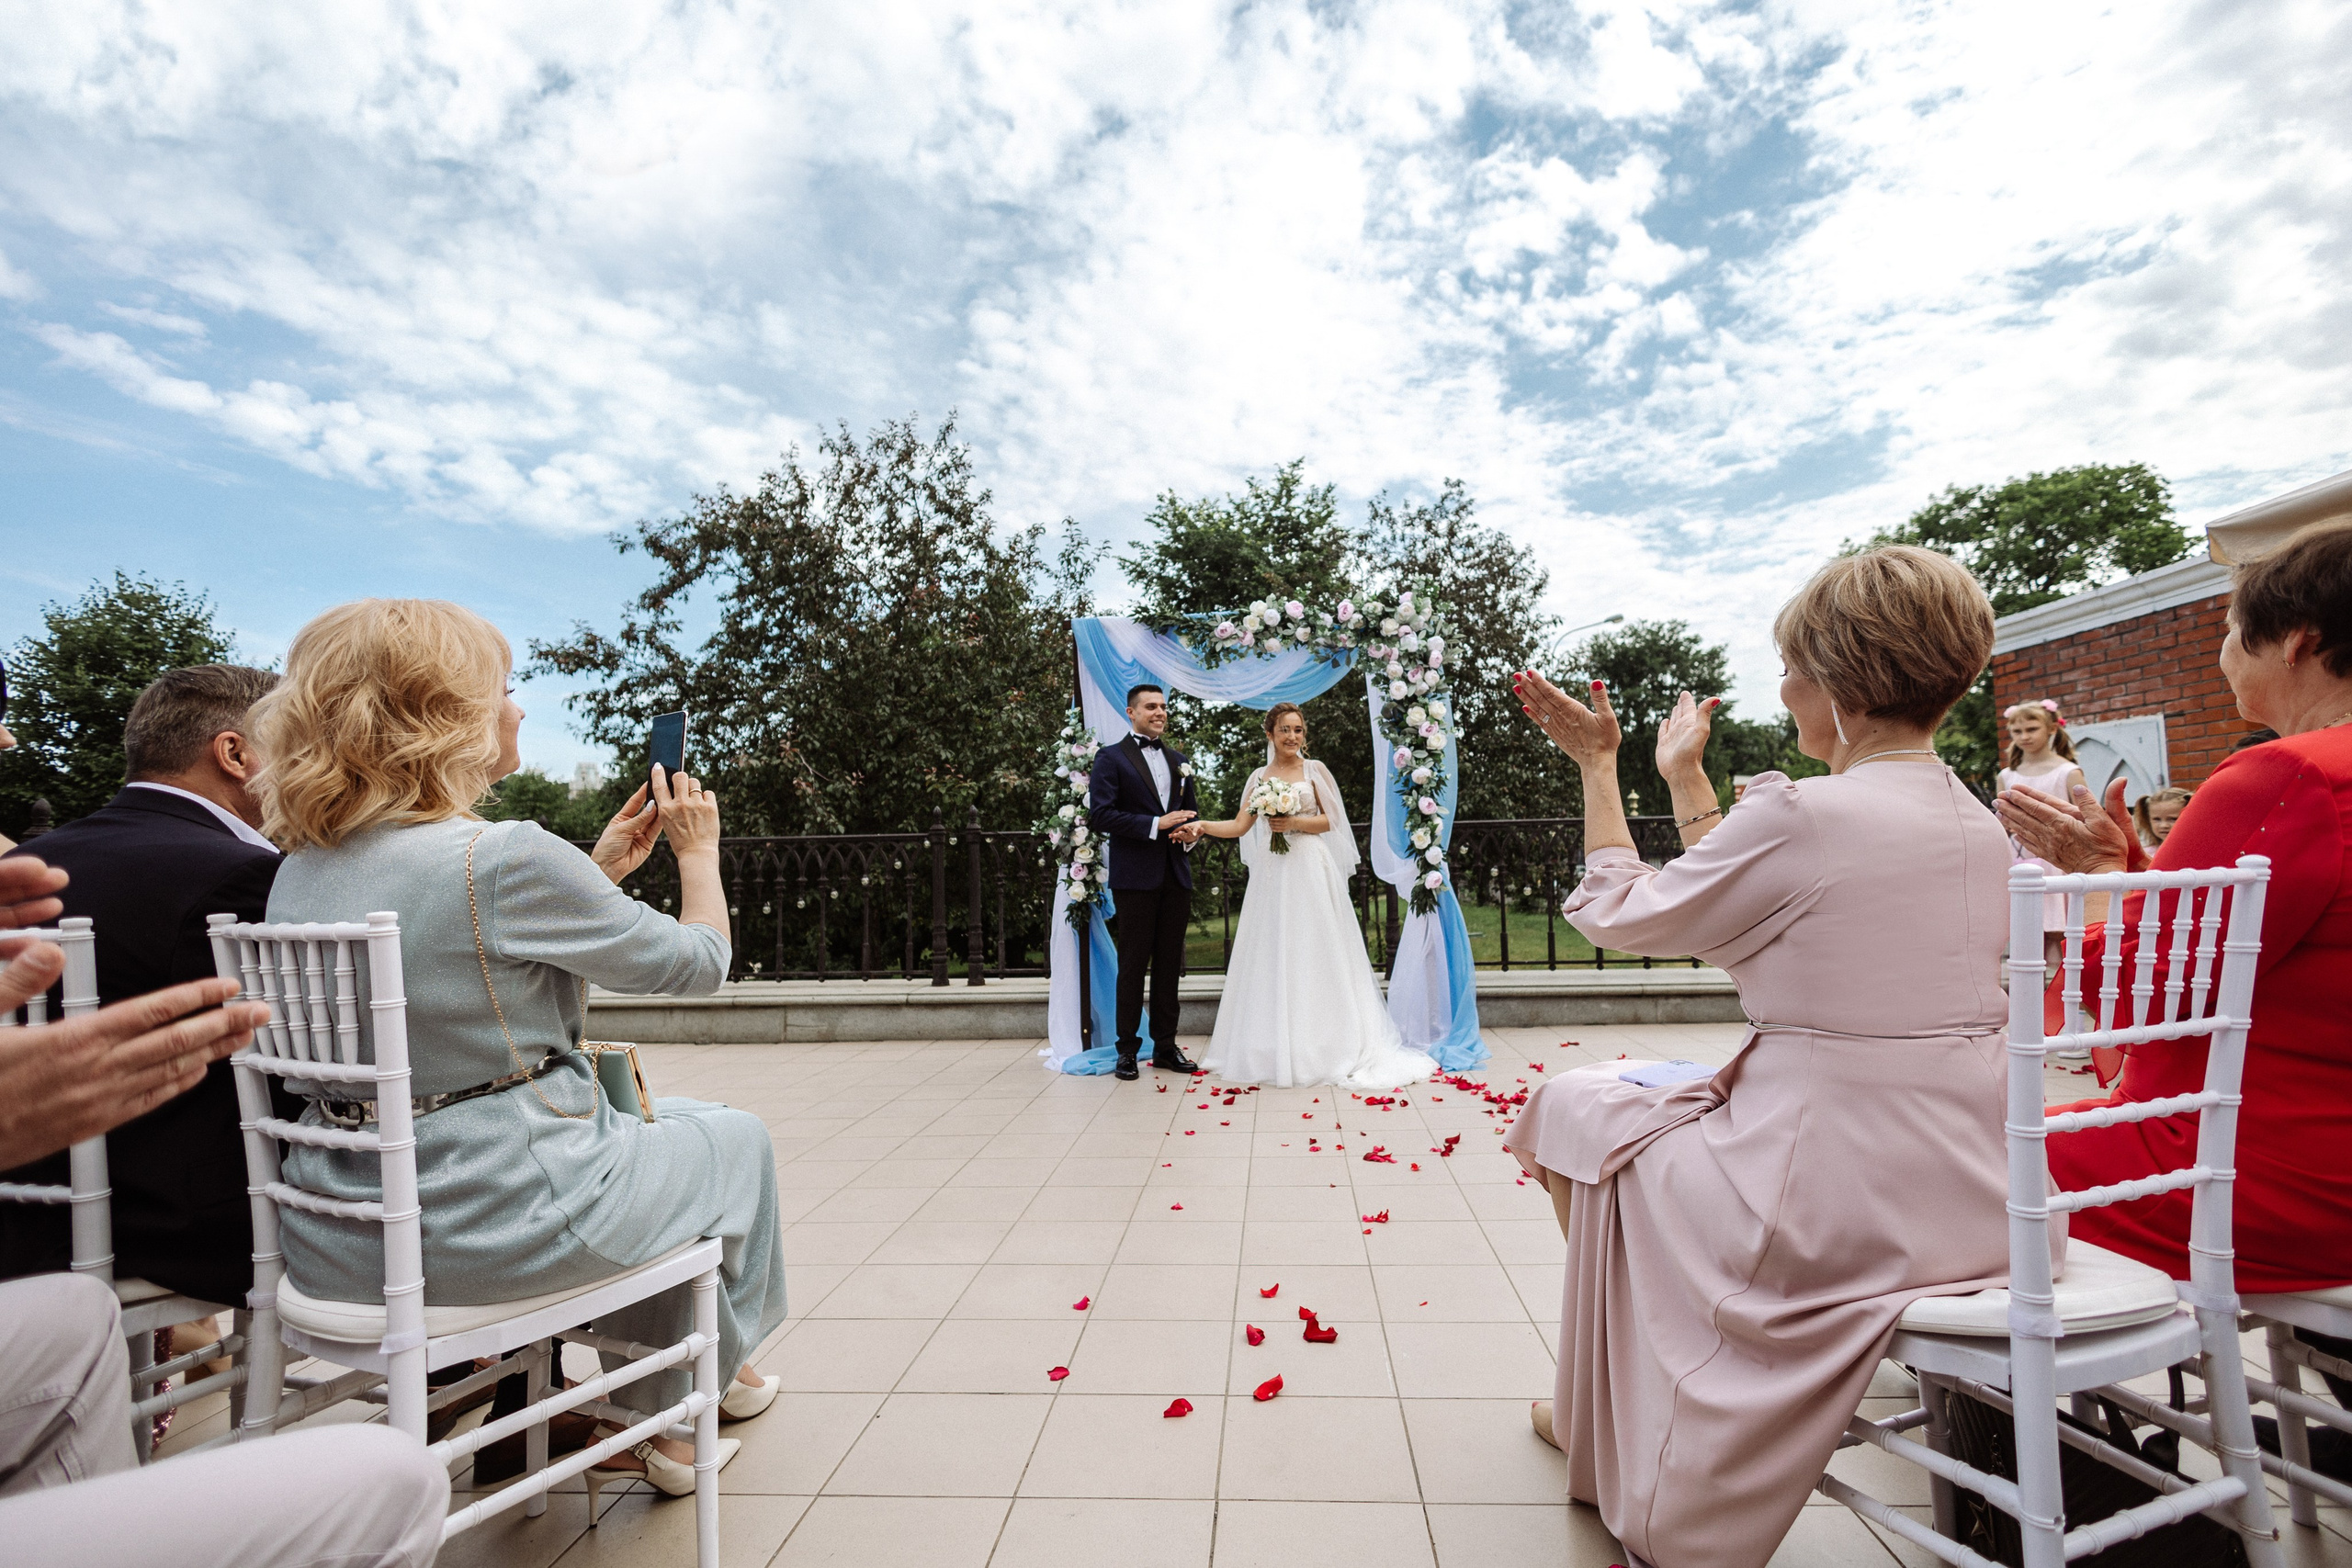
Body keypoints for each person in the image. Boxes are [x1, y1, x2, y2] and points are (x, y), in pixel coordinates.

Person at [1503, 546, 2017, 1568]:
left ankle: (1602, 1409)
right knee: (1610, 1106)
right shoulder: (1984, 823)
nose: (1781, 689)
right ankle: (1600, 1399)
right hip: (1984, 1192)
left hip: (1828, 1199)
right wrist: (1686, 782)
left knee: (1573, 1110)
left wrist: (1599, 772)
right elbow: (1756, 899)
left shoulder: (1804, 814)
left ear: (1833, 680)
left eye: (1788, 667)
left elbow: (1616, 914)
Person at [248, 598, 783, 1496]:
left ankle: (699, 1385)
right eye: (503, 688)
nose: (518, 707)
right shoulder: (504, 855)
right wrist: (699, 852)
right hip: (495, 1218)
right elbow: (696, 966)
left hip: (340, 1232)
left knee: (685, 1132)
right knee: (738, 1140)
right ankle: (680, 1410)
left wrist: (601, 867)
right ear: (442, 714)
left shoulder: (301, 866)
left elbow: (459, 955)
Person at [0, 855, 447, 1568]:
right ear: (236, 755)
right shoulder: (252, 873)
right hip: (191, 1225)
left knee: (78, 1316)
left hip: (40, 1229)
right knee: (394, 1479)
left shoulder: (56, 854)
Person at [1998, 517, 2352, 1298]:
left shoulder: (2287, 775)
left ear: (2294, 641)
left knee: (1949, 1167)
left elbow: (2140, 997)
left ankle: (1999, 1414)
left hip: (2269, 1170)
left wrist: (2097, 875)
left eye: (2229, 629)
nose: (2223, 649)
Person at [1, 667, 286, 1319]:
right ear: (236, 754)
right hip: (168, 1228)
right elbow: (286, 1068)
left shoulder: (36, 862)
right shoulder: (243, 873)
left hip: (22, 1208)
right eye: (295, 744)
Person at [1190, 703, 1435, 1089]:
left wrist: (1294, 822)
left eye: (1298, 730)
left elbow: (1331, 820)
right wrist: (1203, 826)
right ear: (1269, 734)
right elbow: (1240, 826)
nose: (1292, 737)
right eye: (1284, 730)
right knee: (1273, 952)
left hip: (1309, 868)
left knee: (1316, 949)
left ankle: (1330, 1044)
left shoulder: (1314, 770)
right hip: (1273, 874)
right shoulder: (1259, 777)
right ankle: (1269, 1047)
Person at [1086, 683, 1204, 1081]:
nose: (1160, 712)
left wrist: (1192, 835)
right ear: (1131, 712)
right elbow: (1100, 816)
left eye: (1164, 706)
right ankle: (1127, 1051)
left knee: (1170, 966)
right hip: (1135, 878)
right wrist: (1155, 824)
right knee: (1133, 966)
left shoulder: (1179, 760)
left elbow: (1192, 816)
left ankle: (1167, 1048)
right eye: (1151, 707)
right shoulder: (1110, 758)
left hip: (1175, 875)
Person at [2130, 785, 2191, 849]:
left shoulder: (2197, 851)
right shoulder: (2147, 854)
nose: (2164, 825)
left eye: (2173, 819)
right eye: (2157, 819)